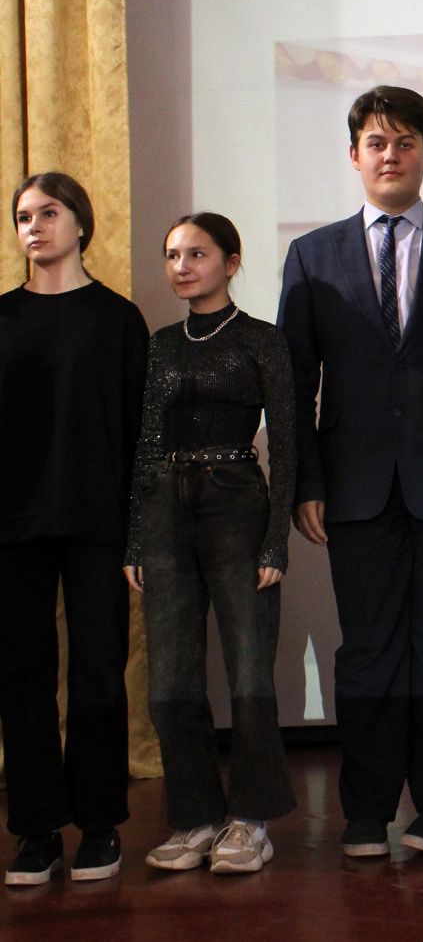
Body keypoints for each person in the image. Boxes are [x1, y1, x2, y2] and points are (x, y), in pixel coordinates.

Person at [277, 86, 423, 859]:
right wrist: (306, 481)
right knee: (368, 650)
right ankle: (367, 808)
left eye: (406, 142)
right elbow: (296, 379)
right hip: (355, 485)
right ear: (354, 155)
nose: (391, 155)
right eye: (377, 142)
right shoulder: (312, 254)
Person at [122, 213, 296, 874]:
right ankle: (195, 817)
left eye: (196, 253)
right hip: (165, 509)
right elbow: (145, 442)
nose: (181, 266)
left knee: (249, 672)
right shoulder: (162, 344)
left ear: (231, 261)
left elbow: (287, 444)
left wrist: (276, 541)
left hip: (237, 504)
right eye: (172, 255)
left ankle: (250, 820)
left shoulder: (261, 339)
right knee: (170, 678)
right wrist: (135, 538)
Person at [1, 173, 148, 885]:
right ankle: (36, 831)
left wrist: (137, 532)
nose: (34, 226)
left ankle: (98, 824)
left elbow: (140, 436)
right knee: (21, 675)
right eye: (23, 216)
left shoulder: (118, 319)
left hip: (97, 520)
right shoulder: (1, 317)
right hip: (11, 525)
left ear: (81, 223)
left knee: (97, 674)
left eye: (48, 212)